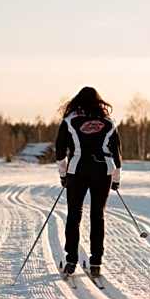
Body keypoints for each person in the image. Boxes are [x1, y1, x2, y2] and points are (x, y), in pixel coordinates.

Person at [55, 86, 122, 278]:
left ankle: (71, 260)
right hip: (103, 171)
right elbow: (116, 154)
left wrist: (63, 175)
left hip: (77, 170)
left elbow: (60, 151)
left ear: (77, 101)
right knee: (97, 215)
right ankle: (96, 262)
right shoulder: (108, 122)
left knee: (74, 214)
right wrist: (116, 179)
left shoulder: (69, 121)